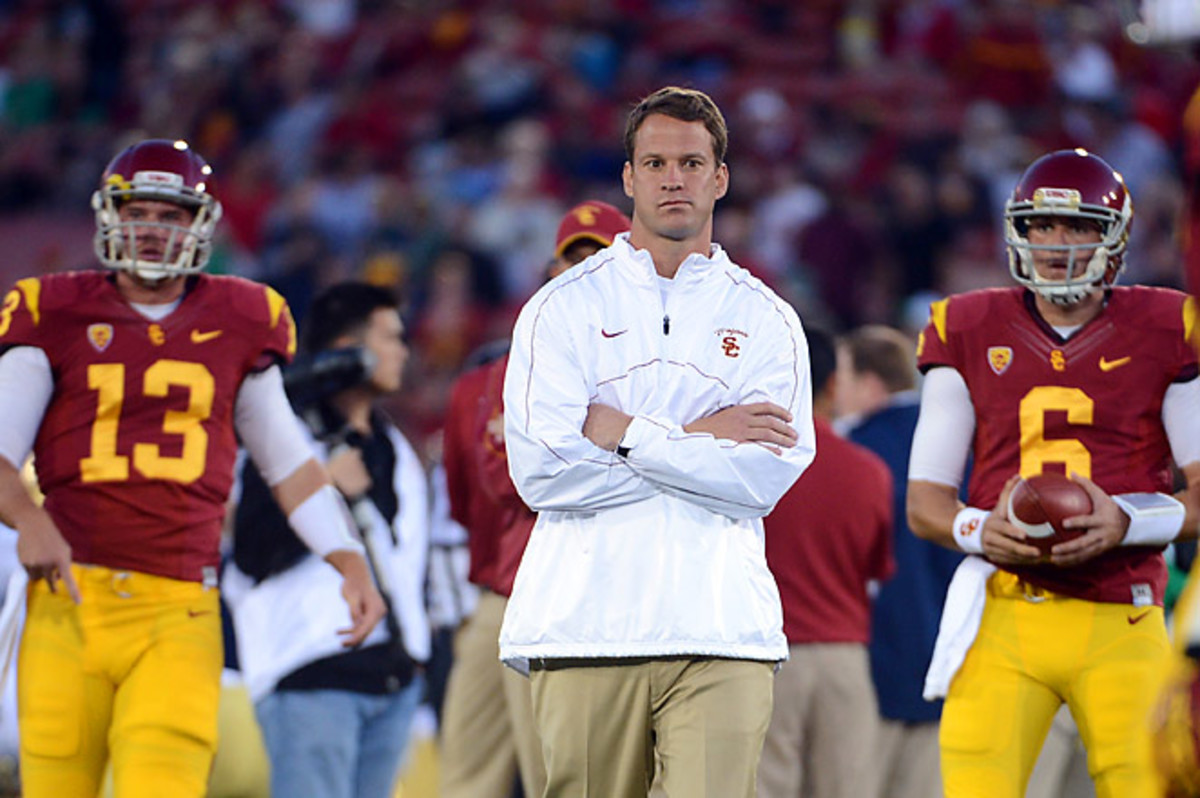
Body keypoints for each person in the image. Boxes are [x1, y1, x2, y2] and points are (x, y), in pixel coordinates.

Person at [0, 139, 385, 798]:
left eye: (170, 213)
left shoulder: (242, 318)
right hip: (68, 604)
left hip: (179, 606)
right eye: (139, 209)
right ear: (110, 215)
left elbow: (289, 465)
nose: (152, 227)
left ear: (199, 222)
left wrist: (348, 558)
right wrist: (30, 520)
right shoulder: (51, 310)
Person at [499, 85, 816, 798]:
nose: (675, 178)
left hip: (721, 633)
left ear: (721, 177)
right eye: (657, 162)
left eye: (692, 162)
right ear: (629, 178)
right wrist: (702, 436)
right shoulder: (560, 308)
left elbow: (763, 478)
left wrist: (623, 433)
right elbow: (543, 474)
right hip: (584, 628)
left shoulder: (768, 319)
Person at [906, 148, 1200, 798]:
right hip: (1007, 608)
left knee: (1154, 784)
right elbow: (925, 502)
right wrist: (982, 530)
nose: (1056, 243)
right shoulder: (965, 325)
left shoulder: (1167, 325)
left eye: (1078, 227)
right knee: (973, 784)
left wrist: (1128, 520)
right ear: (1019, 231)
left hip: (1124, 609)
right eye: (1042, 226)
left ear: (1113, 237)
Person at [439, 199, 630, 798]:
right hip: (503, 596)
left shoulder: (643, 367)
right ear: (550, 270)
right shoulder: (483, 380)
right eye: (570, 262)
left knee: (563, 777)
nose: (580, 275)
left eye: (596, 263)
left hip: (583, 604)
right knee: (468, 779)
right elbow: (478, 495)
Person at [224, 281, 430, 798]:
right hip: (310, 669)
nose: (403, 351)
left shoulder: (394, 446)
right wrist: (326, 488)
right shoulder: (282, 439)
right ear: (346, 347)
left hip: (393, 676)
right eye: (390, 338)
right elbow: (249, 552)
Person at [757, 325, 894, 798]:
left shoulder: (745, 464)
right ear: (833, 383)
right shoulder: (869, 471)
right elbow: (878, 568)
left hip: (764, 657)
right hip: (843, 661)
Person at [836, 324, 963, 798]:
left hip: (873, 666)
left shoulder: (855, 453)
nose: (836, 392)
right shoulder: (962, 447)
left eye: (843, 379)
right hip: (949, 663)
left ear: (869, 384)